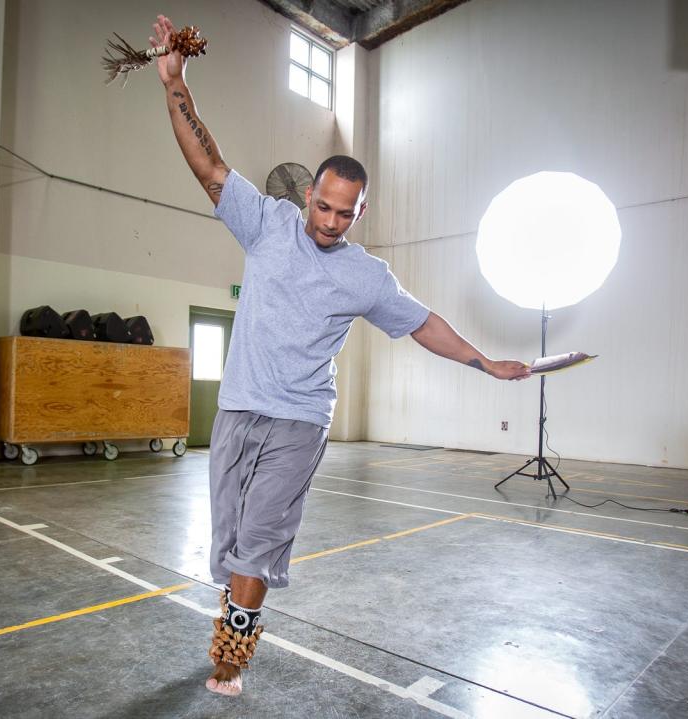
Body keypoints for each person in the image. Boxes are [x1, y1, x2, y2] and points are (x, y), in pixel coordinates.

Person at [150, 14, 531, 697]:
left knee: (260, 541)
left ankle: (232, 651)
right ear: (307, 195)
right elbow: (208, 163)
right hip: (238, 408)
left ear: (361, 212)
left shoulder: (366, 276)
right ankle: (236, 600)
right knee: (231, 540)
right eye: (322, 206)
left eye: (343, 213)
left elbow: (423, 324)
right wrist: (177, 84)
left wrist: (485, 361)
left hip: (299, 420)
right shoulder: (266, 223)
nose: (329, 221)